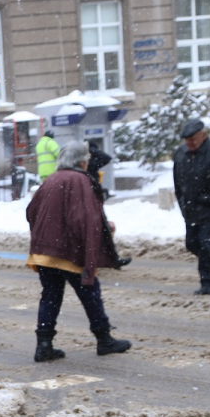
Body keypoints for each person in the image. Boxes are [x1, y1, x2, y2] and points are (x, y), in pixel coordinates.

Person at [26, 140, 131, 361]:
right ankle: (104, 339)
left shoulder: (50, 180)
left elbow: (31, 211)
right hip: (69, 250)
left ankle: (43, 345)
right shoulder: (81, 180)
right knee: (90, 292)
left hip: (45, 252)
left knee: (50, 297)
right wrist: (89, 257)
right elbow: (85, 220)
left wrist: (44, 236)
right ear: (82, 162)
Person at [173, 118, 210, 295]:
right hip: (191, 210)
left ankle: (209, 283)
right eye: (186, 139)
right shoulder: (181, 153)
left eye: (193, 139)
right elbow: (177, 182)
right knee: (192, 244)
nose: (189, 143)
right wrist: (182, 202)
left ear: (204, 136)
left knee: (207, 246)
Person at [85, 141, 131, 269]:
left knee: (104, 229)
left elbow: (106, 159)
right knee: (86, 231)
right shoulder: (81, 166)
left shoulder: (90, 165)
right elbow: (106, 158)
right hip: (84, 202)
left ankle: (113, 259)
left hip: (93, 200)